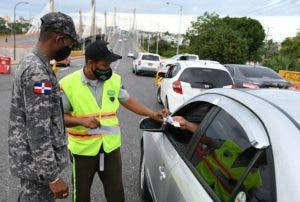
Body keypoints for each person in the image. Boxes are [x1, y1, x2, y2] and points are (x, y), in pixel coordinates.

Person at [59, 39, 168, 202]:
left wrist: (153, 114)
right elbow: (58, 117)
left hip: (110, 148)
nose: (108, 69)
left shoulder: (114, 80)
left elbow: (128, 101)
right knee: (81, 195)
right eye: (104, 65)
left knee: (116, 193)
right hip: (83, 151)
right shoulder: (68, 84)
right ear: (90, 63)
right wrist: (82, 121)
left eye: (110, 64)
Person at [8, 12, 81, 201]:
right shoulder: (37, 71)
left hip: (34, 161)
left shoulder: (33, 61)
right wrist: (53, 176)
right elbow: (38, 129)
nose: (70, 50)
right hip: (37, 165)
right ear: (59, 40)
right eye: (70, 45)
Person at [172, 116, 262, 201]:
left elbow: (248, 198)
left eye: (256, 152)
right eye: (252, 148)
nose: (250, 150)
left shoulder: (256, 182)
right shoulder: (229, 145)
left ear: (263, 161)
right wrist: (187, 124)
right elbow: (207, 140)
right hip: (192, 180)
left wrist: (242, 192)